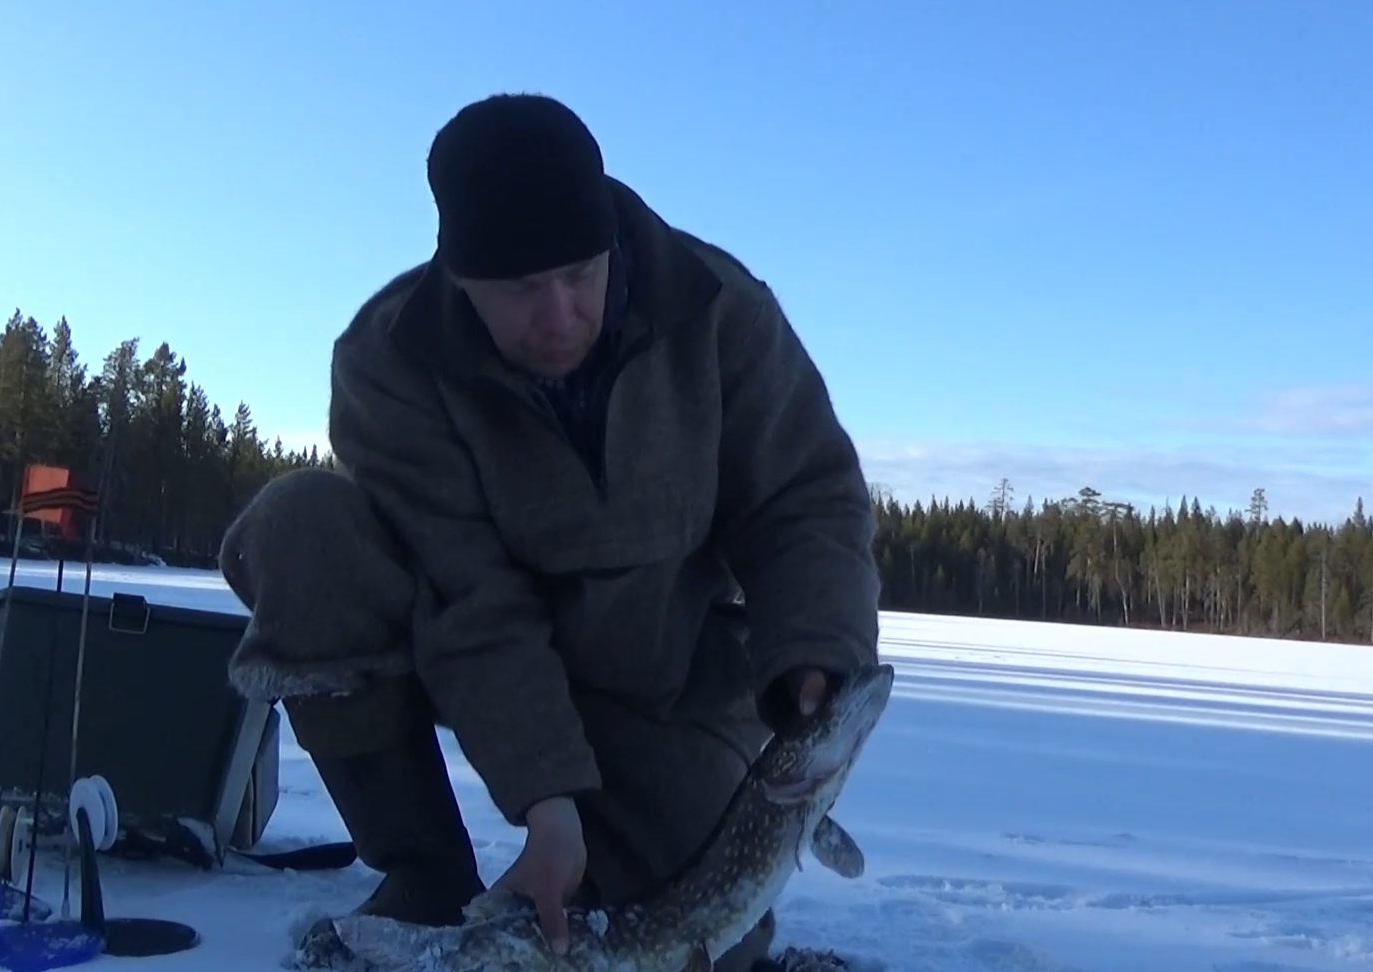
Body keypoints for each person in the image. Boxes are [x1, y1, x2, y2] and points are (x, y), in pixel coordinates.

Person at [217, 92, 883, 972]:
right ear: (460, 278)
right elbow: (471, 597)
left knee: (701, 943)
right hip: (465, 656)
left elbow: (804, 499)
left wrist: (813, 652)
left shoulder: (719, 309)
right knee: (300, 529)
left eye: (579, 274)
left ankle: (626, 827)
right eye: (523, 290)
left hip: (663, 676)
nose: (561, 313)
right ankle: (422, 870)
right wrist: (546, 796)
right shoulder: (390, 361)